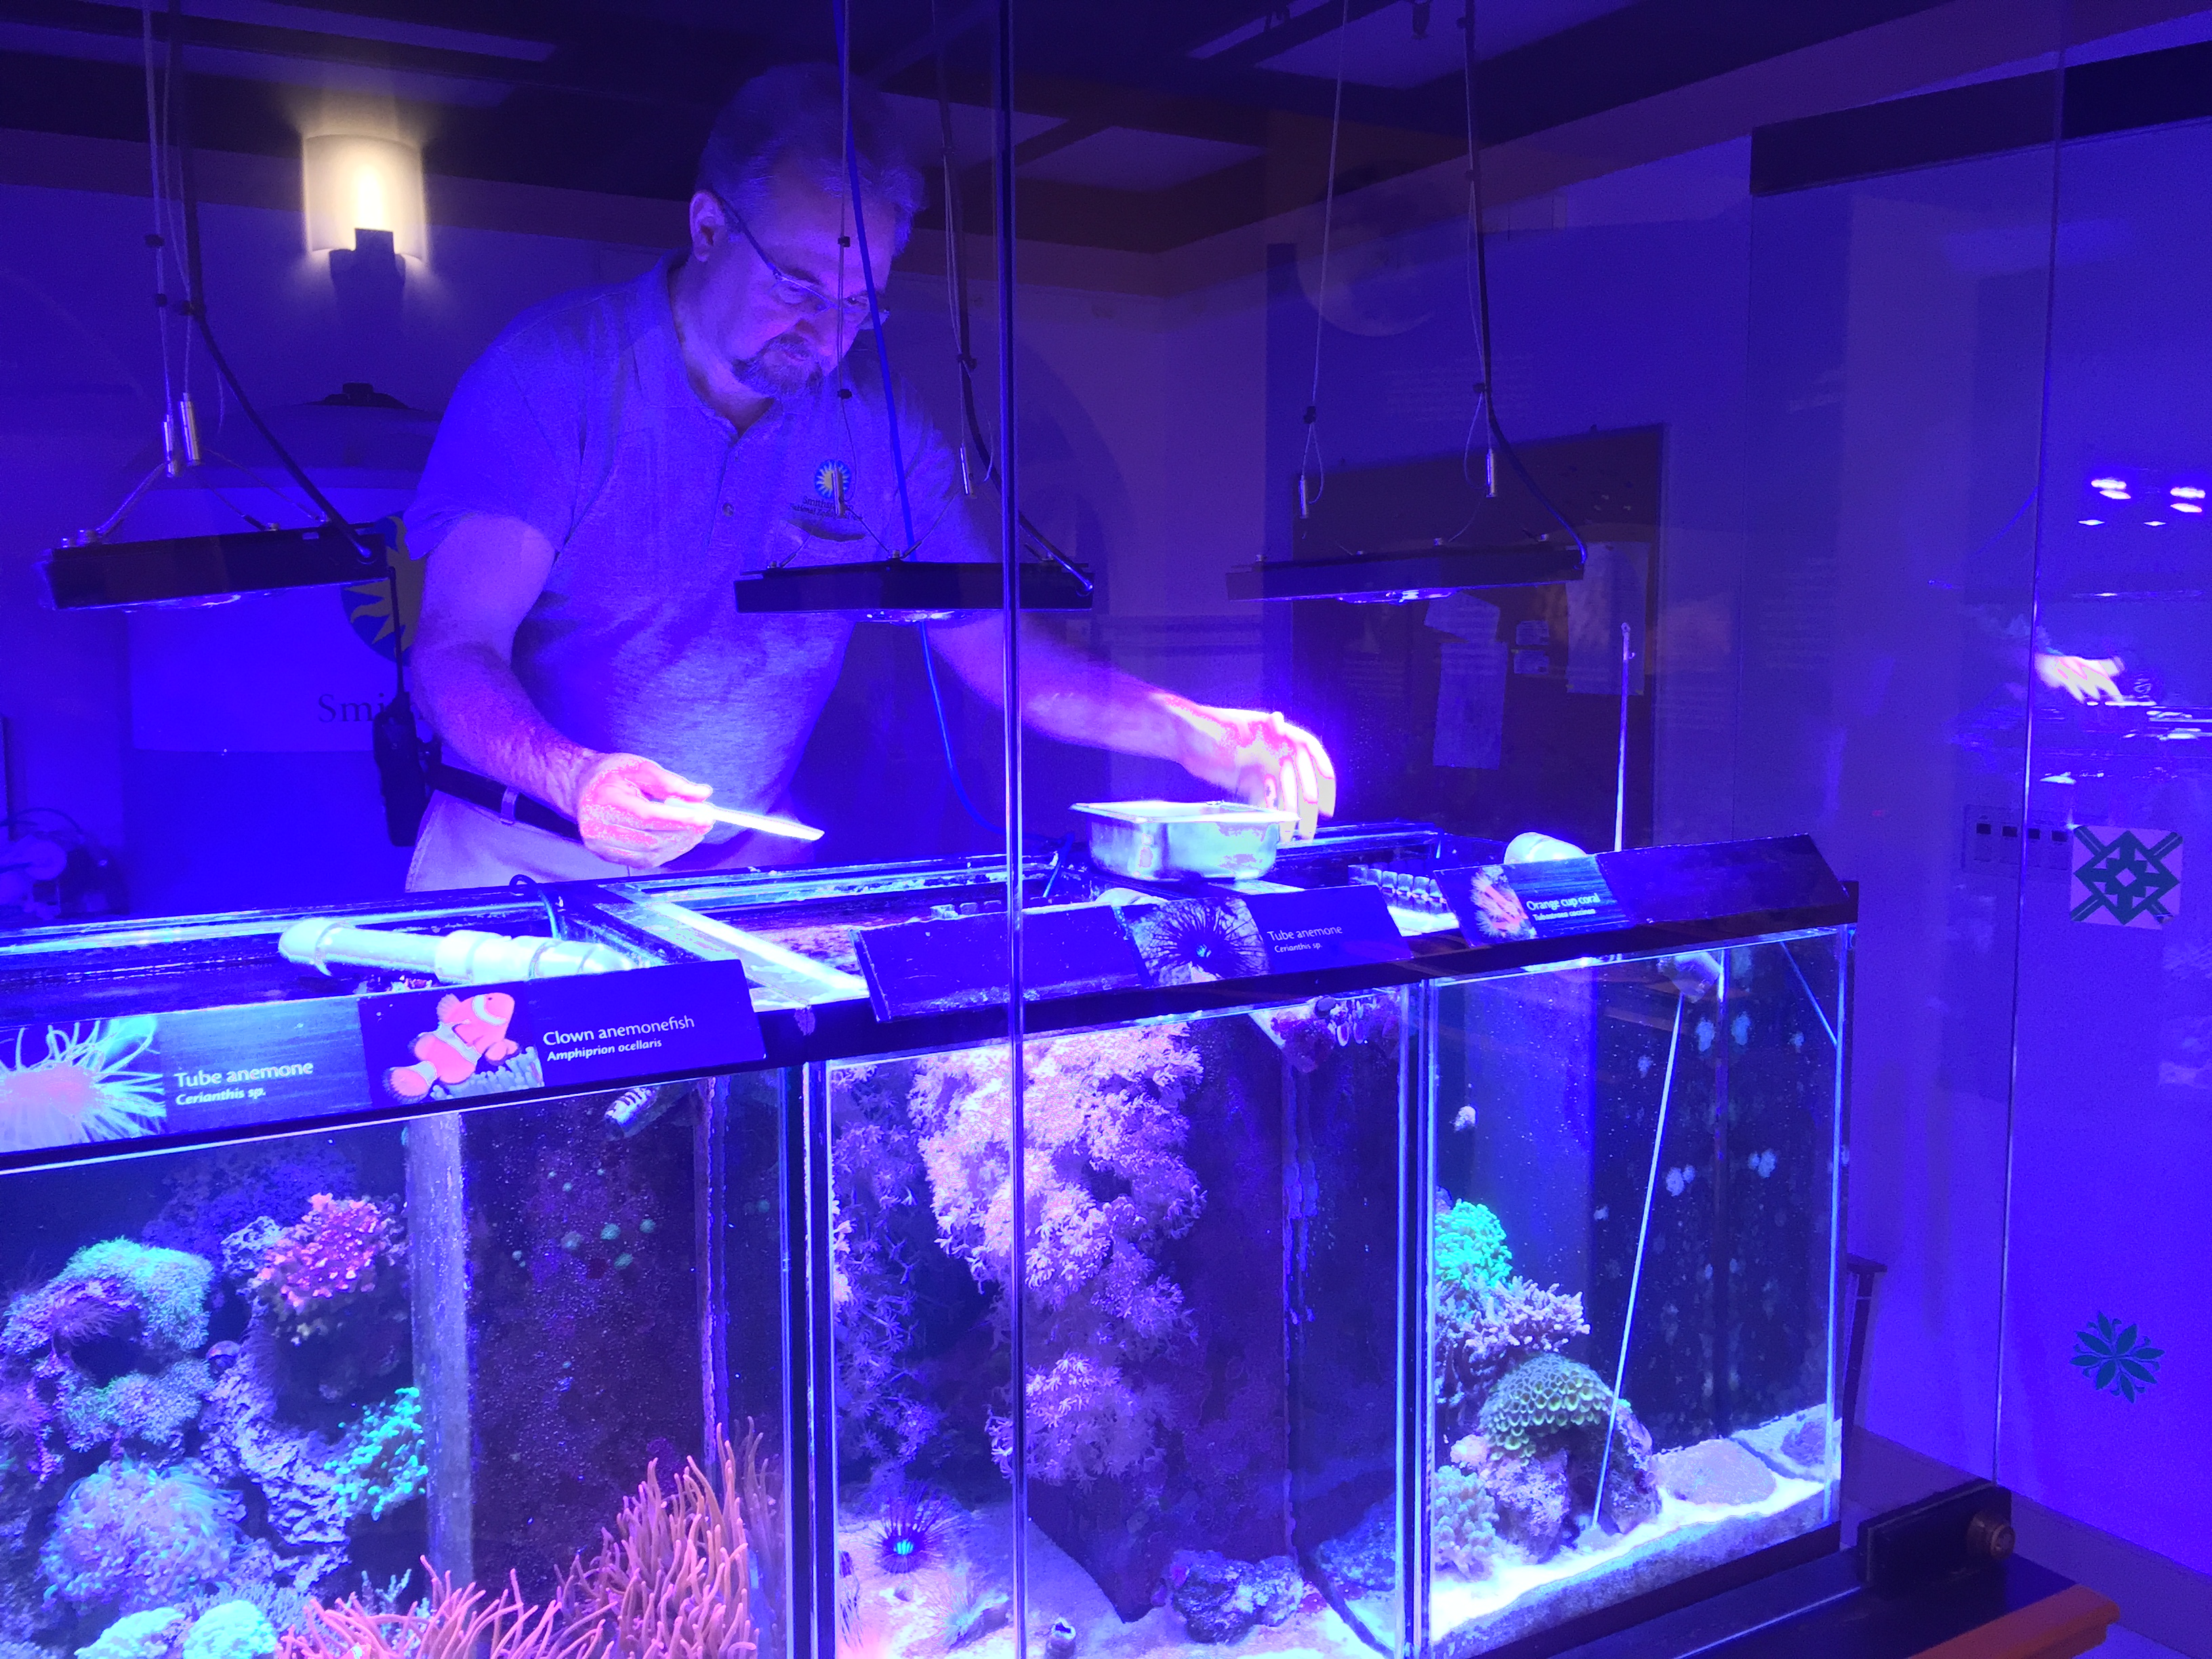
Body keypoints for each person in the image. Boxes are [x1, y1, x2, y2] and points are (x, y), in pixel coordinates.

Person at [401, 65, 1334, 890]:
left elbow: (1005, 657)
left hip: (743, 885)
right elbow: (453, 649)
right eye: (800, 289)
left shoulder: (879, 430)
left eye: (859, 304)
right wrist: (580, 779)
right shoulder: (558, 375)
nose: (828, 333)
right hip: (518, 863)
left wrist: (1200, 734)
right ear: (709, 226)